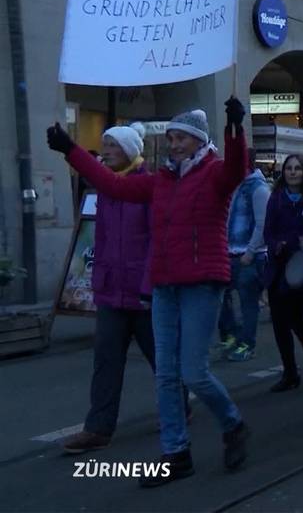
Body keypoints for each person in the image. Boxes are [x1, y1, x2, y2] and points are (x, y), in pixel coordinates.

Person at [48, 99, 252, 487]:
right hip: (163, 285)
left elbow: (238, 169)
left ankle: (233, 424)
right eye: (171, 137)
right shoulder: (161, 181)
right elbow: (113, 184)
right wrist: (70, 149)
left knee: (193, 372)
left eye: (181, 138)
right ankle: (176, 453)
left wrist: (234, 127)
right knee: (166, 376)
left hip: (201, 284)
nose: (173, 144)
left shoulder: (214, 175)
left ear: (197, 141)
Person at [61, 124, 160, 454]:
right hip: (110, 292)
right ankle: (98, 428)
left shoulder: (146, 186)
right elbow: (100, 239)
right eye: (103, 144)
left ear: (129, 150)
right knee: (106, 361)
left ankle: (179, 406)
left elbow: (155, 242)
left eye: (112, 144)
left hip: (143, 293)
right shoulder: (103, 187)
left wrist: (149, 286)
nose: (104, 149)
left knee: (161, 359)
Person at [262, 154, 303, 392]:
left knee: (296, 319)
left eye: (298, 168)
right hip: (278, 266)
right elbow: (268, 232)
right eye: (289, 168)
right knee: (279, 323)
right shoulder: (276, 199)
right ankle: (290, 372)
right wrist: (279, 243)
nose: (293, 172)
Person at [218, 157, 270, 362]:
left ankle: (247, 343)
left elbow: (262, 224)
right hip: (230, 253)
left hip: (250, 256)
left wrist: (250, 251)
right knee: (221, 296)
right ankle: (231, 334)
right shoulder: (236, 187)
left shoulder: (258, 189)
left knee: (248, 303)